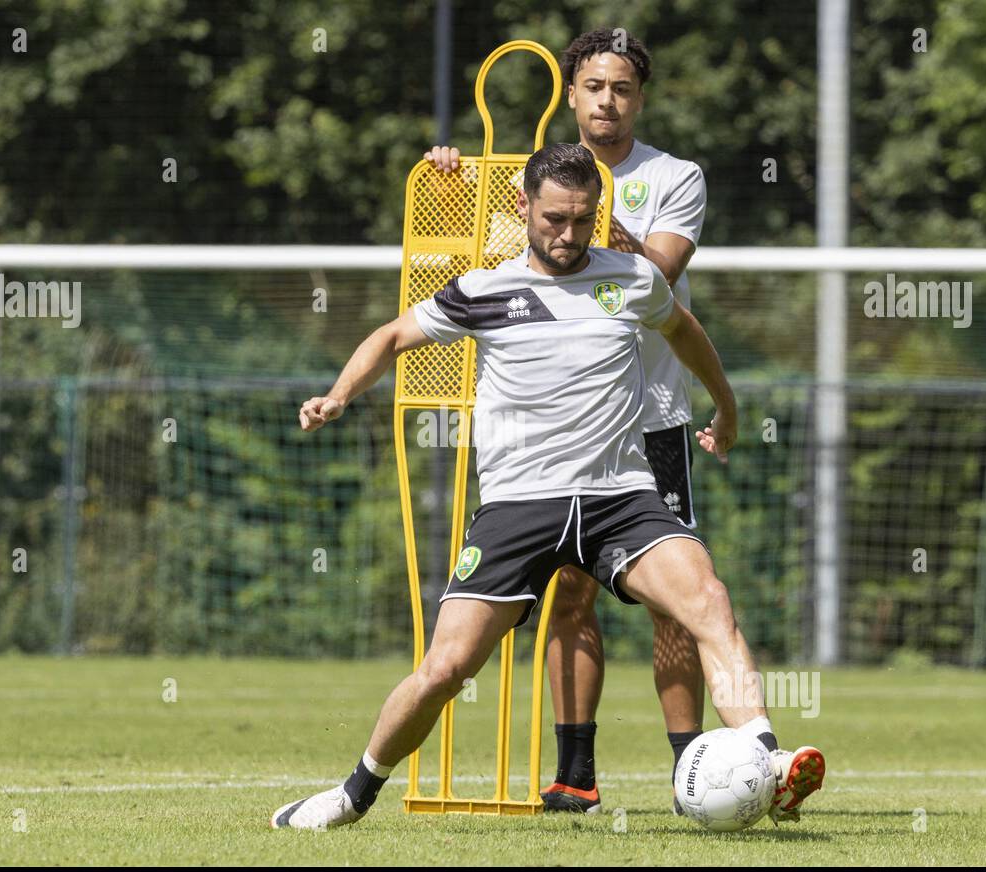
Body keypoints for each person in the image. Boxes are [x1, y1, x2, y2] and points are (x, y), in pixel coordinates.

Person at [273, 144, 824, 830]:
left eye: (582, 220)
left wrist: (728, 406)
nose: (567, 235)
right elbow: (390, 336)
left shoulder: (633, 279)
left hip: (620, 498)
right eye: (553, 220)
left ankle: (767, 763)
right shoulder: (483, 290)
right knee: (445, 669)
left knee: (709, 600)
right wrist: (337, 396)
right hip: (517, 508)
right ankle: (351, 794)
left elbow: (685, 332)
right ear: (523, 207)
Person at [424, 28, 718, 815]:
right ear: (571, 92)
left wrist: (582, 210)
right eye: (592, 87)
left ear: (639, 97)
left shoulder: (673, 176)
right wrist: (458, 183)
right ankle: (575, 772)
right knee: (569, 594)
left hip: (649, 418)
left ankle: (694, 770)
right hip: (555, 432)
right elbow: (478, 263)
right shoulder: (539, 179)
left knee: (676, 603)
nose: (606, 102)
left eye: (621, 88)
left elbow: (652, 275)